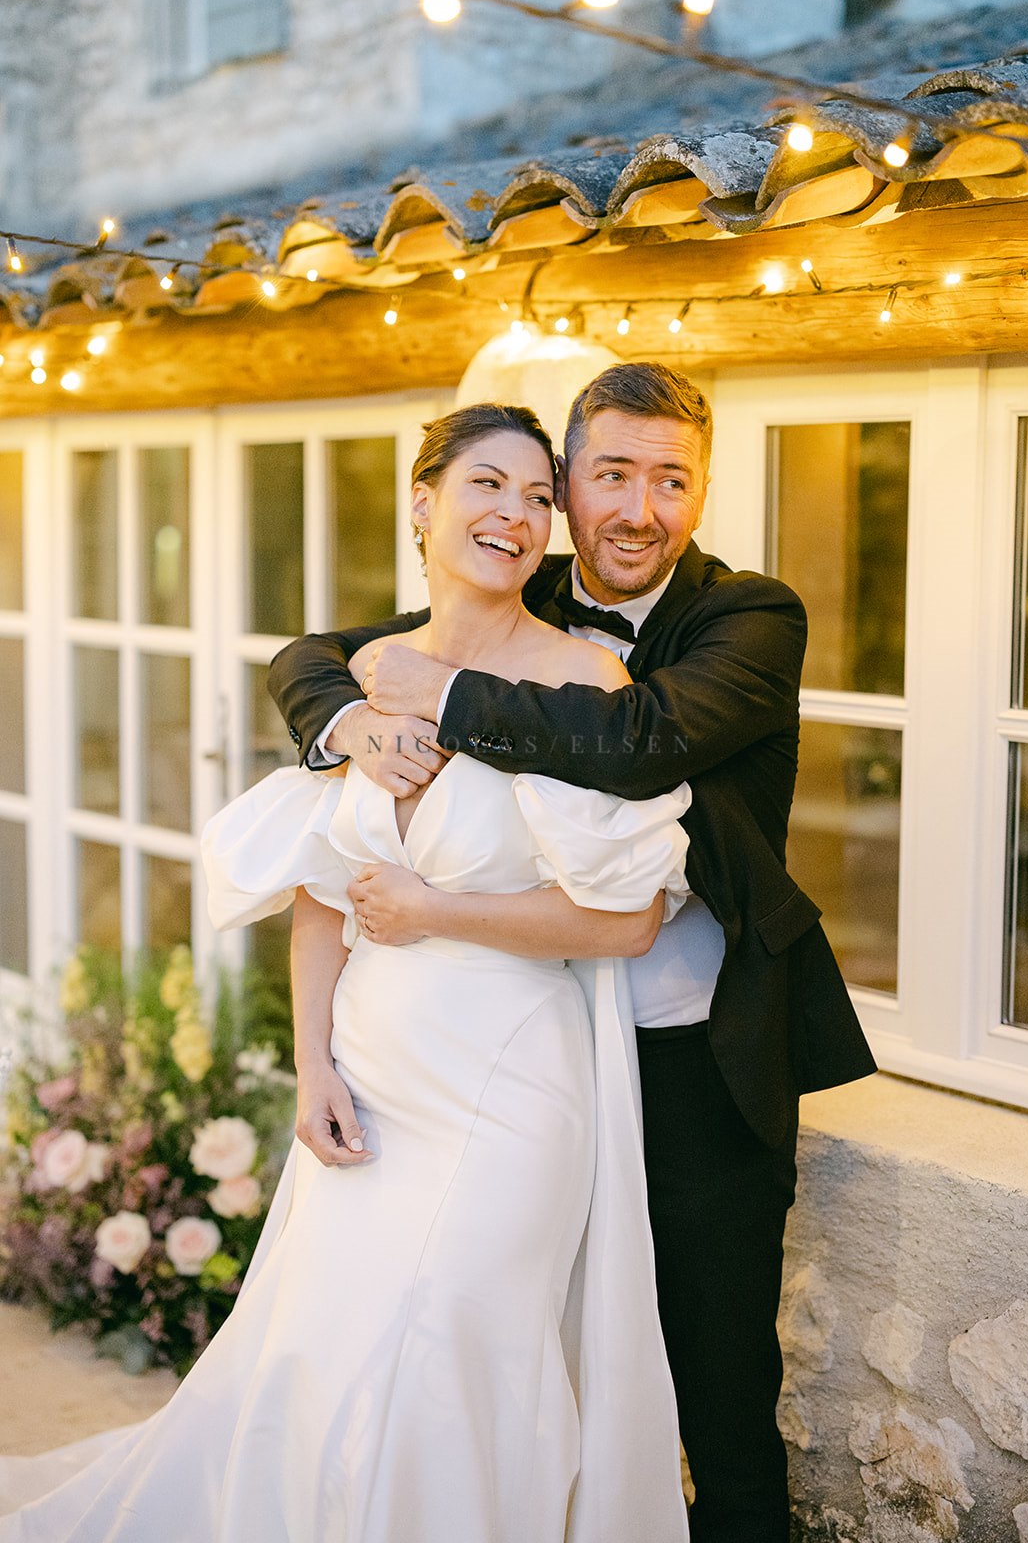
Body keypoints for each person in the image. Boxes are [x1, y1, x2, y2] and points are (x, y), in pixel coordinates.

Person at [0, 404, 693, 1542]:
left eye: (534, 497)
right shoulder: (365, 675)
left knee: (452, 1331)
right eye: (486, 485)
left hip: (508, 1079)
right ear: (421, 501)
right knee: (325, 1335)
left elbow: (618, 924)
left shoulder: (581, 681)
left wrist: (432, 907)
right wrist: (309, 1058)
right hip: (371, 1061)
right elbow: (326, 890)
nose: (514, 516)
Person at [268, 362, 879, 1543]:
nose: (638, 510)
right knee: (515, 1347)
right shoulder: (519, 579)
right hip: (526, 1041)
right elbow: (316, 653)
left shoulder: (752, 614)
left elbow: (642, 740)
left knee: (714, 1368)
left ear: (700, 492)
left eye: (671, 480)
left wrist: (440, 694)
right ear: (568, 483)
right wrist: (344, 719)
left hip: (691, 1046)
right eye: (608, 476)